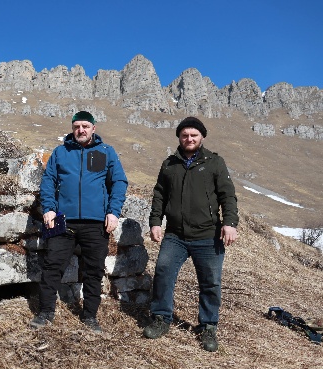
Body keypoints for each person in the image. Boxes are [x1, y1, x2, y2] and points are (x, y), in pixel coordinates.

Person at [143, 116, 239, 352]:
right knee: (163, 272)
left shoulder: (215, 163)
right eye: (185, 135)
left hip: (208, 235)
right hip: (175, 235)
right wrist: (155, 222)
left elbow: (228, 195)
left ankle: (208, 327)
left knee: (210, 282)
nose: (189, 139)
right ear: (179, 137)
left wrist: (230, 223)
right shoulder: (169, 164)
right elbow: (159, 196)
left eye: (193, 135)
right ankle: (160, 319)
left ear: (201, 137)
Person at [30, 111, 128, 333]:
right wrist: (49, 209)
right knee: (52, 265)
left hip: (96, 223)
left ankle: (90, 316)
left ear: (94, 128)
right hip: (63, 220)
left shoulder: (106, 152)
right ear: (72, 128)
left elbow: (119, 182)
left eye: (85, 126)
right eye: (77, 126)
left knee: (93, 270)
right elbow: (48, 181)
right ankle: (45, 312)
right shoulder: (60, 152)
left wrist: (113, 212)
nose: (81, 130)